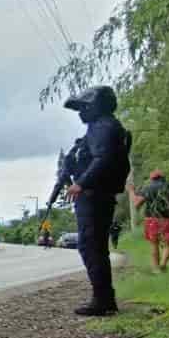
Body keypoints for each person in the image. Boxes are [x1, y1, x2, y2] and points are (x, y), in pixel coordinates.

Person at [62, 85, 132, 315]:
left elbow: (103, 159)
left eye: (84, 107)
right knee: (92, 246)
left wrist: (80, 183)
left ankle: (102, 299)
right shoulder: (103, 127)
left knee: (92, 246)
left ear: (96, 106)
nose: (81, 112)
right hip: (96, 194)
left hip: (94, 195)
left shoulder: (103, 127)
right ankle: (103, 297)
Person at [133, 169, 169, 272]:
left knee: (154, 244)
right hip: (168, 219)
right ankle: (163, 264)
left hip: (151, 220)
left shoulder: (147, 188)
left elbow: (137, 204)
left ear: (152, 179)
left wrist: (131, 192)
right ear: (163, 177)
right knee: (168, 244)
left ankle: (156, 269)